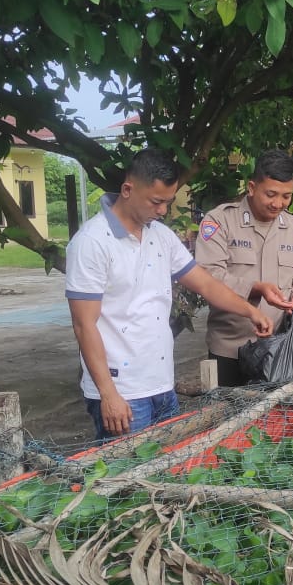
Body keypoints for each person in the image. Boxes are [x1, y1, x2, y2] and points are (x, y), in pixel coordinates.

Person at [65, 148, 273, 439]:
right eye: (156, 201)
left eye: (168, 202)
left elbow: (206, 284)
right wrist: (108, 394)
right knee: (128, 478)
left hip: (162, 386)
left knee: (165, 473)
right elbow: (83, 324)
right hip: (122, 391)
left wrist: (250, 311)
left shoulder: (160, 236)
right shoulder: (92, 242)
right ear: (128, 189)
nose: (162, 210)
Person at [195, 148, 293, 386]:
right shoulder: (220, 222)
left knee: (276, 420)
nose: (278, 204)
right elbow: (207, 277)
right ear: (252, 188)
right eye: (271, 194)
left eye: (286, 196)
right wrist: (255, 288)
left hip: (279, 349)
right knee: (229, 420)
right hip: (230, 349)